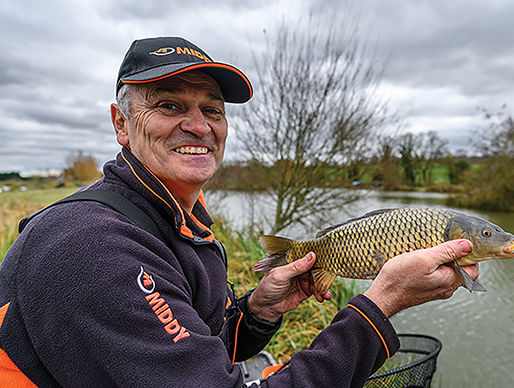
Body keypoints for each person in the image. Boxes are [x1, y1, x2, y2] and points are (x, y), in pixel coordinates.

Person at [0, 36, 479, 388]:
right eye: (170, 105)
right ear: (121, 123)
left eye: (212, 110)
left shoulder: (176, 218)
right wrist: (381, 304)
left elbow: (190, 346)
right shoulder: (95, 245)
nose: (197, 125)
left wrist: (257, 311)